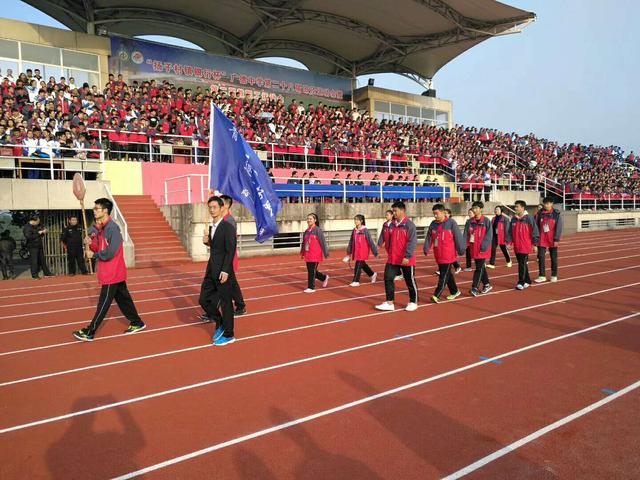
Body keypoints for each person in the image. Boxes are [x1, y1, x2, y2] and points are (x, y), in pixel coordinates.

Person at [72, 198, 146, 341]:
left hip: (113, 272)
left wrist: (94, 255)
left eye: (96, 209)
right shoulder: (100, 229)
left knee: (103, 303)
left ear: (105, 210)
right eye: (94, 209)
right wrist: (90, 243)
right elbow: (97, 247)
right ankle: (137, 322)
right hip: (109, 271)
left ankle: (90, 331)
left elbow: (111, 251)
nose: (94, 211)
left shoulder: (113, 228)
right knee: (124, 299)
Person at [198, 196, 237, 346]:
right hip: (211, 269)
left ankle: (229, 334)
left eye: (214, 207)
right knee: (203, 299)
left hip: (223, 271)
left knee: (226, 303)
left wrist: (226, 270)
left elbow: (230, 250)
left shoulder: (228, 227)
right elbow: (216, 248)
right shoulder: (211, 227)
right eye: (210, 207)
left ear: (222, 208)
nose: (212, 210)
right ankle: (219, 321)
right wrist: (208, 242)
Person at [376, 201, 418, 312]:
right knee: (388, 278)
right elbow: (387, 239)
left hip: (406, 259)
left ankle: (413, 302)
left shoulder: (409, 225)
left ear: (402, 211)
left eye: (395, 211)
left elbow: (412, 241)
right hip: (393, 258)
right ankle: (390, 302)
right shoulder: (392, 224)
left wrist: (407, 256)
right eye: (393, 211)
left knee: (410, 280)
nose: (393, 213)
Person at [424, 204, 465, 303]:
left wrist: (461, 249)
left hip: (448, 254)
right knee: (447, 274)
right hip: (438, 253)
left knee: (443, 275)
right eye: (434, 214)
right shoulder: (433, 224)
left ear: (443, 212)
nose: (435, 216)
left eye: (437, 214)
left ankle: (436, 295)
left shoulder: (451, 223)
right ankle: (455, 291)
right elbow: (429, 237)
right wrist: (426, 247)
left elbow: (458, 237)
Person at [220, 194, 246, 315]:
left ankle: (211, 311)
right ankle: (240, 306)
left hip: (227, 258)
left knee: (227, 284)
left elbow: (230, 243)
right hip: (221, 258)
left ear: (226, 205)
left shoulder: (229, 221)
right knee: (230, 284)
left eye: (219, 203)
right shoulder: (221, 220)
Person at [463, 201, 493, 296]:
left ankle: (474, 287)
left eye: (476, 208)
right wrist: (463, 246)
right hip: (474, 248)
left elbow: (489, 236)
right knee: (481, 267)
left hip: (482, 249)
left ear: (481, 209)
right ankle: (487, 284)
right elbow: (466, 235)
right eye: (473, 208)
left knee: (478, 268)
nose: (474, 210)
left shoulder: (486, 221)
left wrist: (483, 246)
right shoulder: (469, 222)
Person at [510, 200, 540, 290]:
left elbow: (535, 231)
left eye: (517, 207)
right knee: (522, 263)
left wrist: (535, 244)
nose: (515, 208)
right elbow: (510, 232)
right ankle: (527, 280)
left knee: (522, 264)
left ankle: (521, 282)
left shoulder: (529, 218)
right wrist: (509, 242)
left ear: (523, 208)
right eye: (515, 207)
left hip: (525, 245)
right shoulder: (514, 219)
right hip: (517, 245)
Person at [343, 214, 378, 287]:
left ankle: (356, 281)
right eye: (355, 219)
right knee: (362, 265)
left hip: (363, 251)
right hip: (357, 251)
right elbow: (351, 241)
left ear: (361, 221)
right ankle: (372, 274)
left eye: (357, 220)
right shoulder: (354, 230)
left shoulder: (365, 230)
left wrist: (375, 252)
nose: (355, 221)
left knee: (358, 264)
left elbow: (370, 241)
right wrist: (348, 253)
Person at [535, 196, 563, 283]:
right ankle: (542, 275)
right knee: (541, 257)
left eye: (547, 204)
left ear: (551, 204)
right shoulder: (540, 213)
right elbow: (536, 226)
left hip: (552, 239)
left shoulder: (556, 214)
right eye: (544, 204)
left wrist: (556, 239)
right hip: (542, 239)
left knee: (553, 258)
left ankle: (554, 275)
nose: (545, 205)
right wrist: (536, 238)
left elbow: (559, 227)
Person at [301, 213, 330, 293]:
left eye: (310, 219)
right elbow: (304, 243)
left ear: (315, 220)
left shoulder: (318, 230)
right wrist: (302, 252)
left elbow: (323, 242)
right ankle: (324, 278)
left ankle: (311, 287)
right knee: (311, 270)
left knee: (311, 270)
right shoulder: (306, 231)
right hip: (308, 254)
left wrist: (326, 253)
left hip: (315, 254)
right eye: (308, 219)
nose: (308, 220)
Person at [22, 214, 54, 279]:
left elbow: (38, 235)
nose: (38, 223)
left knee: (42, 260)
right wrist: (38, 233)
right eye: (37, 221)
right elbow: (28, 237)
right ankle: (34, 275)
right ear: (33, 221)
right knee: (34, 261)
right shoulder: (27, 227)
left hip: (39, 245)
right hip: (32, 246)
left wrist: (43, 233)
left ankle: (46, 273)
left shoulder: (36, 226)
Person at [445, 209, 462, 274]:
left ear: (449, 214)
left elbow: (456, 233)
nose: (445, 214)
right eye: (444, 213)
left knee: (449, 256)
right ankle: (457, 266)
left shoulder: (452, 222)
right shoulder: (442, 222)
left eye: (446, 213)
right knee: (448, 257)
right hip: (444, 243)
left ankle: (442, 270)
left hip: (451, 243)